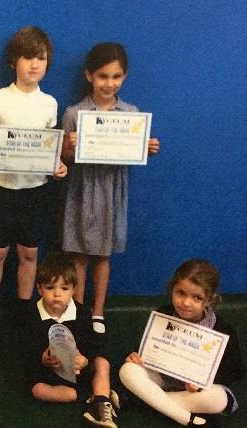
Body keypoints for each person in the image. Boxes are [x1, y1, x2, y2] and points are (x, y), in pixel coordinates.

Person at [60, 42, 160, 333]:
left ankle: (98, 312)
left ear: (124, 76)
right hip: (82, 188)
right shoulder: (74, 113)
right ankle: (78, 311)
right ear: (89, 76)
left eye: (116, 76)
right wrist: (69, 146)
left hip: (112, 189)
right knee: (79, 253)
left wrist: (146, 148)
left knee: (103, 254)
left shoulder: (131, 113)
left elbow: (131, 152)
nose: (109, 83)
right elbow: (62, 156)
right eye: (103, 76)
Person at [0, 27, 67, 331]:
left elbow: (49, 149)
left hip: (35, 191)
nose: (34, 64)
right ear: (13, 61)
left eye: (40, 58)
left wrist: (58, 165)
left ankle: (24, 309)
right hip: (0, 188)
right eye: (27, 57)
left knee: (29, 252)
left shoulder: (49, 103)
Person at [119, 259, 245, 427]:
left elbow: (233, 372)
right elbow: (146, 349)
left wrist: (202, 384)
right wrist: (136, 356)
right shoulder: (163, 314)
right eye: (181, 293)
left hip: (195, 392)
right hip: (163, 378)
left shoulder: (222, 330)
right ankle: (186, 418)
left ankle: (144, 402)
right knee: (128, 370)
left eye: (197, 297)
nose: (186, 302)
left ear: (209, 300)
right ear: (172, 290)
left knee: (219, 399)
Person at [23, 252, 120, 428]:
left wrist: (85, 359)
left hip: (79, 370)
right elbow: (26, 349)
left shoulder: (82, 313)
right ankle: (91, 395)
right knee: (38, 391)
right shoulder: (31, 314)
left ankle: (101, 401)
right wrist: (43, 358)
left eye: (64, 288)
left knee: (102, 362)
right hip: (49, 374)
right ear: (39, 289)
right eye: (50, 288)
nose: (57, 294)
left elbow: (92, 344)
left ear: (73, 290)